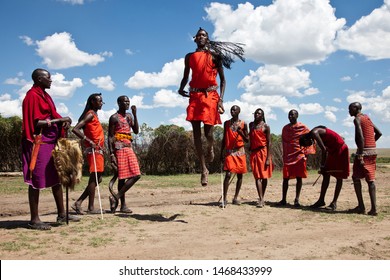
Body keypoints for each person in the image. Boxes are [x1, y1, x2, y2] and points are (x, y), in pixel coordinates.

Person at [178, 27, 244, 186]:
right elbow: (186, 76)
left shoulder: (215, 56)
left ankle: (210, 147)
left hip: (210, 96)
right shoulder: (189, 57)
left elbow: (223, 80)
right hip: (195, 95)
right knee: (195, 133)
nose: (201, 37)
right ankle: (203, 169)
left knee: (208, 132)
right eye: (199, 35)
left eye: (204, 35)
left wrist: (221, 100)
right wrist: (180, 88)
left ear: (207, 39)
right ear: (195, 39)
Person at [21, 68, 80, 230]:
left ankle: (62, 214)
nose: (51, 80)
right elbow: (36, 123)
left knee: (57, 177)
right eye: (48, 78)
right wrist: (59, 119)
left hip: (51, 143)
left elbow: (51, 117)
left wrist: (63, 122)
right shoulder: (32, 96)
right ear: (39, 79)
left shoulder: (45, 96)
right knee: (35, 180)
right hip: (39, 144)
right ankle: (34, 219)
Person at [299, 126, 349, 211]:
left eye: (306, 145)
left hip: (340, 150)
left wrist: (322, 166)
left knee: (339, 177)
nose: (309, 146)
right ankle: (321, 200)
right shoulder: (313, 133)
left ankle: (334, 203)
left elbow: (324, 150)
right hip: (332, 151)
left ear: (306, 139)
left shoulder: (314, 133)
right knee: (326, 174)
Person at [71, 93, 105, 215]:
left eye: (102, 101)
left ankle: (80, 203)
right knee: (95, 177)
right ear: (92, 102)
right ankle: (88, 206)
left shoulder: (94, 115)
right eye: (99, 101)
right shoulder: (90, 114)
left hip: (98, 149)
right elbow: (75, 129)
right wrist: (89, 141)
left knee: (98, 178)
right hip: (93, 149)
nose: (101, 103)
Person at [108, 95, 141, 214]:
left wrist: (135, 114)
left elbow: (136, 131)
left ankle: (115, 198)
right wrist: (111, 155)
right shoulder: (114, 118)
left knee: (136, 174)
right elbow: (110, 137)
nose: (127, 103)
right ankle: (123, 205)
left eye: (128, 101)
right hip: (119, 148)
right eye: (124, 101)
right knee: (121, 178)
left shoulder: (129, 116)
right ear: (119, 103)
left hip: (128, 147)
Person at [348, 102, 382, 215]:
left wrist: (361, 153)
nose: (349, 110)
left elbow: (360, 137)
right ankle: (373, 209)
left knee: (356, 178)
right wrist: (370, 144)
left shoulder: (357, 119)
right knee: (370, 179)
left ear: (356, 108)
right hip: (372, 152)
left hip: (363, 153)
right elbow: (379, 133)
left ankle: (361, 206)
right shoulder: (367, 118)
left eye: (350, 108)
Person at [278, 109, 314, 207]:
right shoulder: (285, 128)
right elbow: (284, 142)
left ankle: (297, 199)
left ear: (297, 116)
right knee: (285, 178)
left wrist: (306, 154)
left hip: (299, 156)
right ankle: (283, 199)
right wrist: (284, 154)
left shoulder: (303, 127)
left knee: (299, 178)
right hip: (288, 156)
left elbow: (310, 140)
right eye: (289, 115)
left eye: (292, 115)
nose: (290, 117)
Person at [220, 105, 248, 208]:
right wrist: (221, 152)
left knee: (240, 175)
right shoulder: (227, 123)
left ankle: (236, 197)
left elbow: (247, 140)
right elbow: (224, 138)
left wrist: (241, 132)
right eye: (231, 110)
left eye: (234, 110)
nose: (232, 111)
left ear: (238, 112)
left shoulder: (243, 124)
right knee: (228, 174)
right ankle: (225, 198)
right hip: (229, 152)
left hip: (240, 151)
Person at [249, 108, 274, 208]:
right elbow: (250, 137)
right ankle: (261, 198)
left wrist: (268, 158)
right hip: (254, 152)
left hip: (263, 152)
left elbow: (269, 142)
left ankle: (261, 198)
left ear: (262, 115)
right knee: (257, 176)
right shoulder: (251, 125)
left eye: (259, 113)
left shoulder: (266, 126)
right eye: (255, 113)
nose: (256, 115)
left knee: (264, 176)